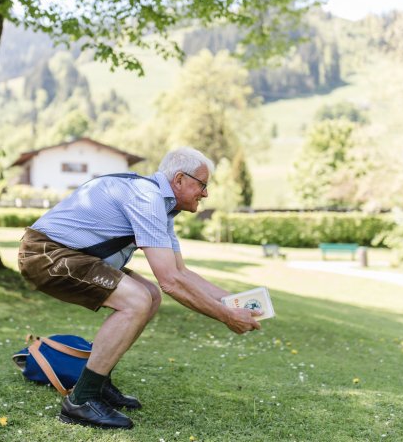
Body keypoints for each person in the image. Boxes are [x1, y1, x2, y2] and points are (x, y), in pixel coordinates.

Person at [17, 147, 262, 429]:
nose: (205, 194)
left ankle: (97, 382)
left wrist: (234, 301)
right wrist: (226, 316)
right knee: (136, 300)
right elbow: (171, 280)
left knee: (150, 296)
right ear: (180, 180)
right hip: (45, 254)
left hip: (74, 255)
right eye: (202, 185)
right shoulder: (147, 198)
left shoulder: (162, 206)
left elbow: (181, 273)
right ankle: (81, 401)